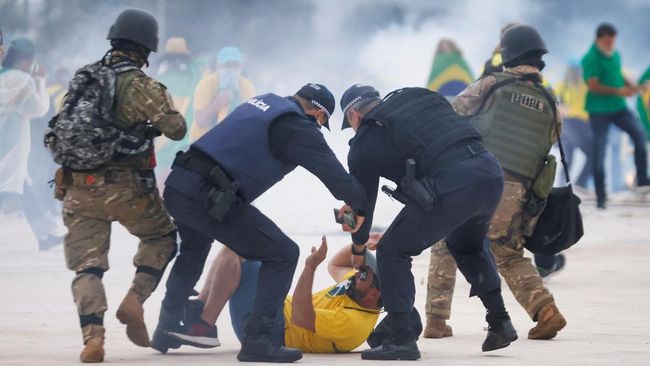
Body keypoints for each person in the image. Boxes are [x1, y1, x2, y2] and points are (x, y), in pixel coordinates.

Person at [150, 83, 367, 363]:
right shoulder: (298, 128)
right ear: (319, 115)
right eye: (322, 122)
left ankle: (166, 326)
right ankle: (259, 340)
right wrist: (360, 204)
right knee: (283, 253)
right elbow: (335, 176)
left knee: (193, 250)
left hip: (179, 184)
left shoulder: (264, 102)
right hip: (209, 197)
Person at [339, 83, 515, 361]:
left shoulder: (365, 141)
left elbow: (362, 208)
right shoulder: (416, 96)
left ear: (354, 117)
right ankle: (500, 321)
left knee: (392, 250)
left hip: (454, 185)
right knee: (466, 246)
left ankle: (401, 339)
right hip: (490, 174)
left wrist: (358, 250)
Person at [53, 9, 187, 362]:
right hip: (127, 187)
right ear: (146, 48)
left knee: (88, 267)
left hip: (78, 188)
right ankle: (135, 300)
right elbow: (177, 129)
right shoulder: (140, 85)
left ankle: (93, 338)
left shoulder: (84, 79)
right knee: (162, 236)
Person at [425, 24, 567, 344]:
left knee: (448, 241)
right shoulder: (549, 99)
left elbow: (451, 112)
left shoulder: (491, 84)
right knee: (508, 253)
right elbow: (552, 140)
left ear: (509, 54)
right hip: (518, 192)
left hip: (479, 179)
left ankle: (436, 320)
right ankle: (546, 311)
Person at [165, 235, 382, 353]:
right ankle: (202, 309)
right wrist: (360, 246)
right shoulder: (356, 289)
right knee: (239, 242)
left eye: (364, 275)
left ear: (374, 295)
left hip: (270, 332)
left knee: (237, 249)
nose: (357, 274)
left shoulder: (353, 322)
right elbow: (337, 263)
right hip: (271, 313)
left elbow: (300, 316)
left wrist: (310, 268)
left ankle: (204, 327)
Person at [0, 37, 61, 250]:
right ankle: (45, 234)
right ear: (26, 60)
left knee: (26, 192)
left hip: (7, 149)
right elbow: (38, 108)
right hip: (11, 147)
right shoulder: (22, 80)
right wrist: (40, 81)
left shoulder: (3, 76)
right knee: (16, 190)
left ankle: (44, 235)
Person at [581, 23, 650, 208]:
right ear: (598, 40)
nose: (610, 45)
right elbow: (593, 85)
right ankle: (601, 196)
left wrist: (633, 86)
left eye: (612, 41)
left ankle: (642, 180)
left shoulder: (615, 54)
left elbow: (618, 73)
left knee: (639, 134)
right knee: (600, 151)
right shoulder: (590, 58)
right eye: (607, 41)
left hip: (619, 108)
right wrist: (620, 91)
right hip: (598, 110)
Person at [154, 37, 200, 183]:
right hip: (182, 125)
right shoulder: (191, 73)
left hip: (163, 127)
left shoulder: (159, 72)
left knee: (161, 166)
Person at [189, 46, 256, 141]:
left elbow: (251, 117)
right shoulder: (206, 84)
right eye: (227, 65)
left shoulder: (246, 86)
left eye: (235, 65)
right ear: (218, 66)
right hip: (202, 140)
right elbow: (200, 121)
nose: (231, 69)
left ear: (241, 66)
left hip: (230, 140)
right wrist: (218, 103)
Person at [555, 60, 593, 190]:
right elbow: (557, 105)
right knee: (592, 154)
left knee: (568, 158)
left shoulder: (580, 85)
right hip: (574, 123)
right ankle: (578, 185)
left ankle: (563, 186)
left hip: (570, 124)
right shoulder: (565, 85)